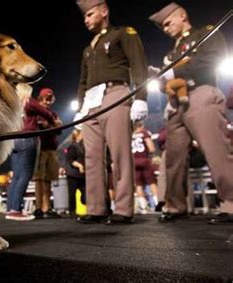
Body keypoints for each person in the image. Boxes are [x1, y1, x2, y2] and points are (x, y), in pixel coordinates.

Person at [149, 3, 233, 224]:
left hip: (201, 92)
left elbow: (213, 58)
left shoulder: (204, 33)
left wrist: (175, 71)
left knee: (216, 149)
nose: (166, 28)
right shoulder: (171, 53)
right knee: (173, 157)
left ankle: (231, 204)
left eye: (168, 22)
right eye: (163, 26)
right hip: (176, 103)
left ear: (182, 15)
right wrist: (161, 80)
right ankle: (175, 205)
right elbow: (165, 82)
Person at [75, 0, 149, 224]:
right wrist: (80, 109)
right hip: (91, 101)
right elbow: (82, 81)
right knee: (92, 157)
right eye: (85, 16)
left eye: (90, 14)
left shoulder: (123, 33)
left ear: (104, 11)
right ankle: (97, 208)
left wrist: (141, 98)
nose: (86, 19)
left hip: (116, 93)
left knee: (119, 154)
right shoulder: (89, 49)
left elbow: (139, 64)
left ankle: (124, 209)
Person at [5, 84, 58, 221]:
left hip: (13, 139)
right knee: (25, 175)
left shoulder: (13, 103)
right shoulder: (29, 101)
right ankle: (16, 210)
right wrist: (53, 121)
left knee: (16, 176)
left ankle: (10, 208)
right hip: (27, 139)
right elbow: (46, 113)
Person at [33, 88, 63, 219]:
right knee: (39, 179)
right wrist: (52, 126)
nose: (48, 101)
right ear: (40, 98)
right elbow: (39, 126)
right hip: (40, 148)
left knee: (49, 179)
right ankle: (39, 208)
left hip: (51, 148)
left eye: (50, 99)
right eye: (46, 98)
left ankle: (47, 207)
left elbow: (59, 127)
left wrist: (50, 126)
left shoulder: (53, 113)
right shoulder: (36, 112)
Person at [131, 121, 159, 214]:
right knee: (152, 182)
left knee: (138, 185)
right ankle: (157, 204)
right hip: (144, 160)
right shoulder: (144, 133)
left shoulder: (130, 135)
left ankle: (143, 206)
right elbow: (151, 148)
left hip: (134, 161)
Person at [65, 125, 86, 216]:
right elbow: (70, 160)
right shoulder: (73, 146)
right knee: (72, 193)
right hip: (73, 174)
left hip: (82, 175)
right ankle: (72, 211)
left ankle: (85, 203)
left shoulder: (83, 145)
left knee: (85, 193)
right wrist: (80, 166)